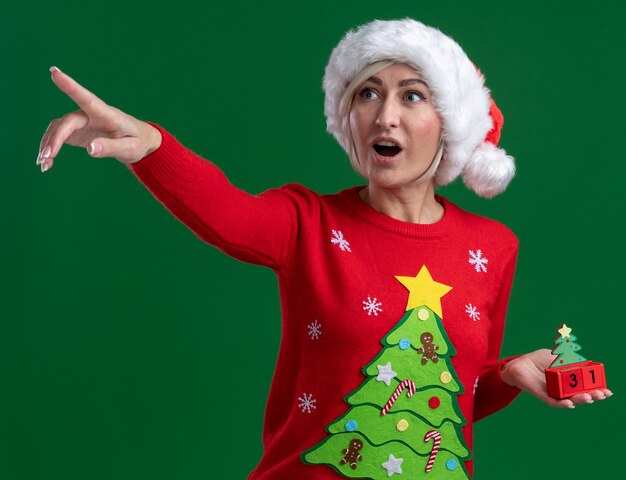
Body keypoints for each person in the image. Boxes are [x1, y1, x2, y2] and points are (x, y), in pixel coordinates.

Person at [37, 18, 611, 480]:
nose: (385, 115)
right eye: (368, 94)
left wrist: (510, 373)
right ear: (349, 116)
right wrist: (149, 146)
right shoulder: (308, 222)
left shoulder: (492, 246)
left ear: (450, 124)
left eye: (412, 96)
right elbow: (225, 211)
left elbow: (452, 394)